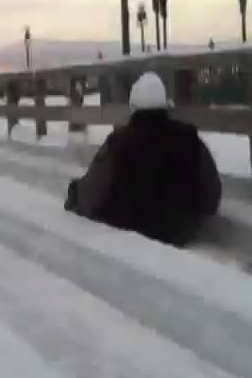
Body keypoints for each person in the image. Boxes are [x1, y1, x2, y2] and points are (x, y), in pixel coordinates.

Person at [64, 72, 221, 247]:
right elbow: (212, 192)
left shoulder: (118, 143)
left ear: (134, 106)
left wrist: (75, 193)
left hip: (133, 233)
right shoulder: (190, 139)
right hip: (183, 232)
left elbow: (94, 193)